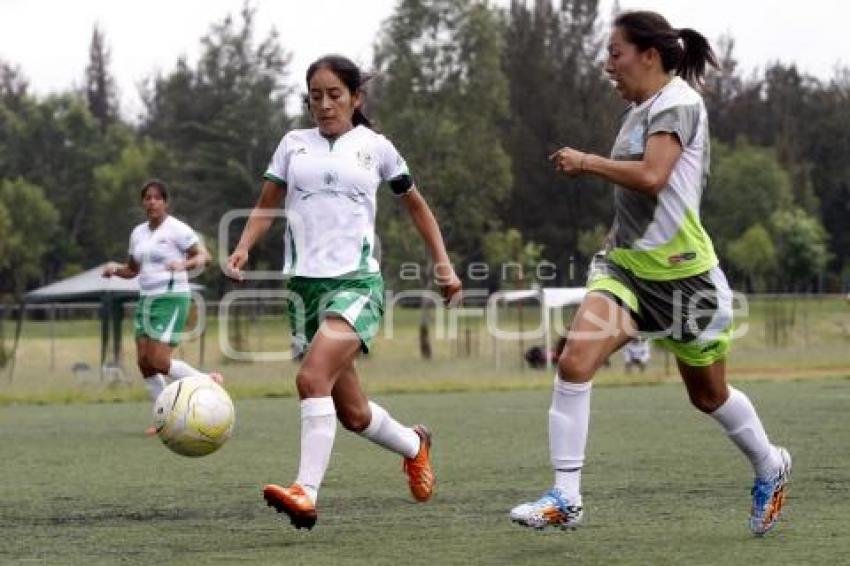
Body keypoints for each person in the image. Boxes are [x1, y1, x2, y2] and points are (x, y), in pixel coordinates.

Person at [509, 11, 790, 536]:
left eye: (615, 53)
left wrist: (587, 161)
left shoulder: (680, 102)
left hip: (687, 281)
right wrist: (617, 238)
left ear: (649, 55)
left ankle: (770, 464)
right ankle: (566, 497)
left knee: (708, 395)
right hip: (627, 271)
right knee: (574, 360)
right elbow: (638, 195)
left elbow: (654, 177)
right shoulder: (639, 111)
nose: (607, 65)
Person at [226, 55, 462, 530]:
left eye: (335, 94)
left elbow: (417, 207)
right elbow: (266, 203)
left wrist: (444, 264)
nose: (325, 104)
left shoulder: (376, 148)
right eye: (316, 96)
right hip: (303, 291)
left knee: (311, 379)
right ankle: (416, 446)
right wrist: (243, 248)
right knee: (352, 414)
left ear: (357, 98)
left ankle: (305, 493)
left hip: (356, 284)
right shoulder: (293, 145)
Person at [102, 179, 223, 435]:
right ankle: (164, 417)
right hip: (147, 300)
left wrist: (185, 265)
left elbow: (205, 256)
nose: (152, 202)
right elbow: (133, 270)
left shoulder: (177, 229)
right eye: (147, 197)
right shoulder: (138, 233)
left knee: (159, 360)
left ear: (165, 202)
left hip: (171, 299)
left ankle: (206, 382)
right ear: (142, 202)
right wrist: (115, 270)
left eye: (157, 197)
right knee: (144, 362)